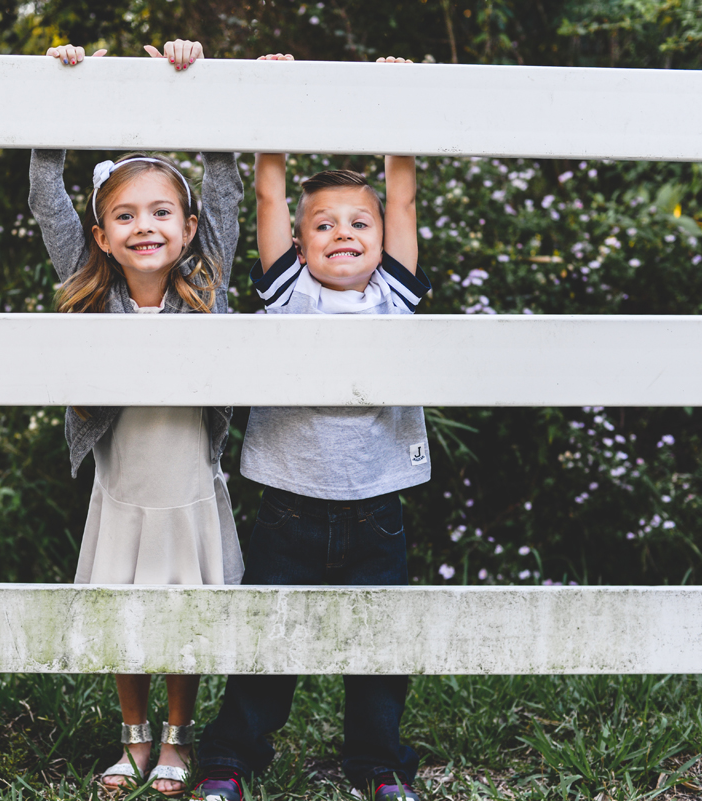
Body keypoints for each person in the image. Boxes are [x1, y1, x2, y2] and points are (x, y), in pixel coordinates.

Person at [193, 55, 432, 801]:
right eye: (323, 225)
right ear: (299, 244)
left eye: (360, 223)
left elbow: (405, 193)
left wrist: (393, 107)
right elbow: (269, 189)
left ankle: (379, 764)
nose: (343, 233)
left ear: (382, 237)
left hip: (378, 502)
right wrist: (271, 101)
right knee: (267, 636)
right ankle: (231, 756)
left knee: (379, 645)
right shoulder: (287, 288)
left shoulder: (394, 289)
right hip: (289, 502)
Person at [29, 39, 245, 798]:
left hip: (189, 479)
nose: (144, 225)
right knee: (125, 605)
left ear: (188, 229)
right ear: (100, 236)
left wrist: (193, 81)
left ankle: (179, 737)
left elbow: (224, 183)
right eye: (124, 215)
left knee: (183, 608)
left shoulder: (206, 282)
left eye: (161, 212)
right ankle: (133, 734)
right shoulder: (90, 289)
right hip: (122, 486)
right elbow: (45, 191)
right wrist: (67, 89)